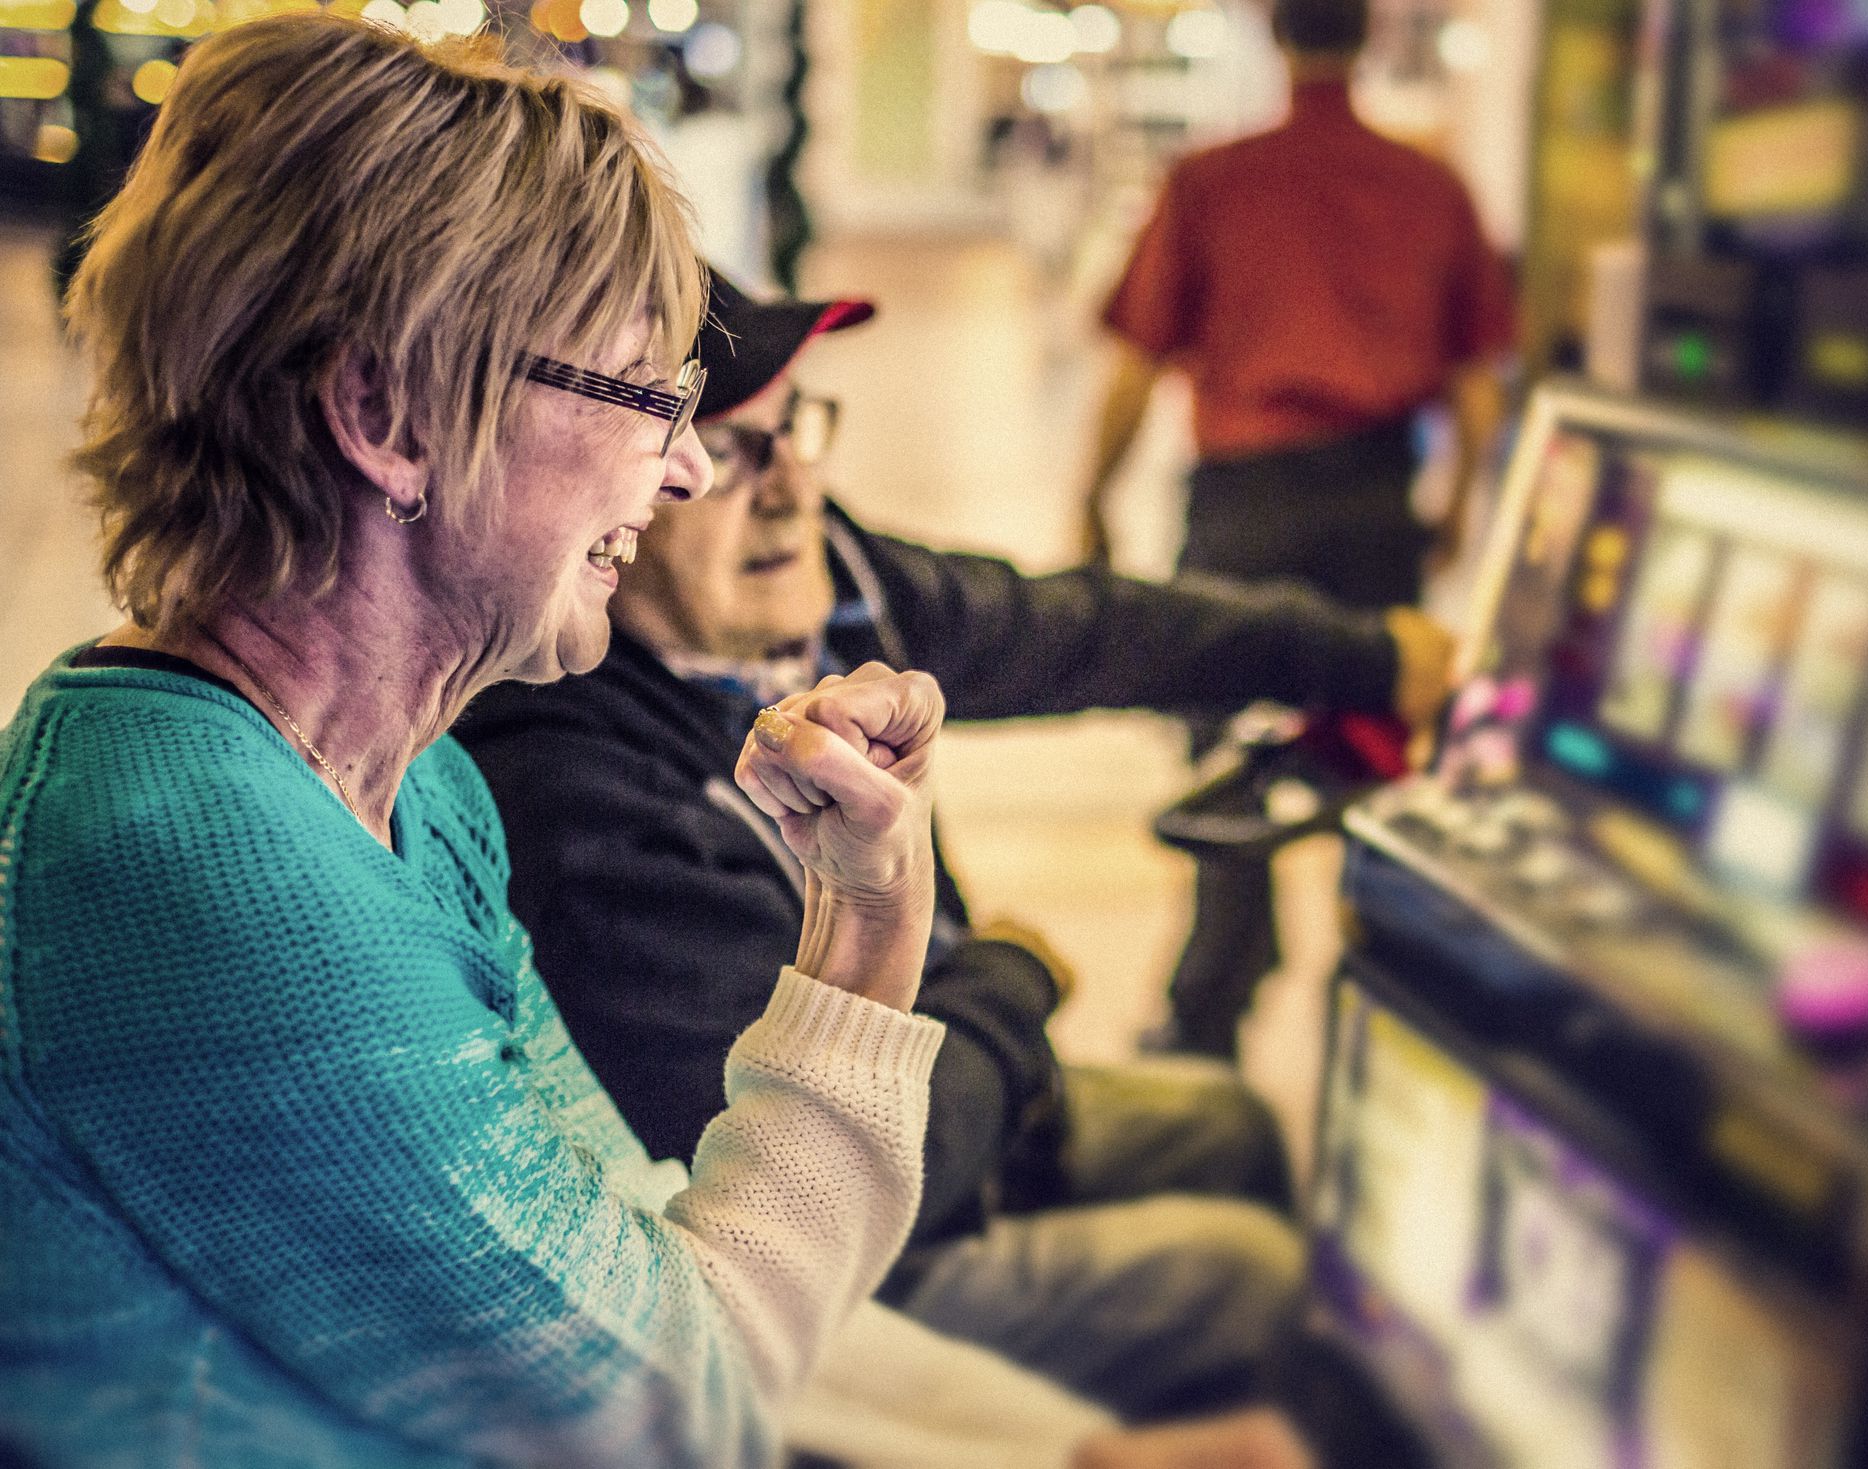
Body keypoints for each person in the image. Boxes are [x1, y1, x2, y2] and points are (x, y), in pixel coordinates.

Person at [0, 17, 1305, 1468]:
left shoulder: (418, 789)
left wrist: (1054, 1453)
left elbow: (641, 1250)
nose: (684, 466)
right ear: (385, 413)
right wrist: (870, 934)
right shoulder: (201, 872)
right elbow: (671, 1405)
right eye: (644, 395)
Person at [456, 270, 1456, 1422]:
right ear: (619, 503)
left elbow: (1078, 628)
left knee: (1231, 1125)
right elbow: (847, 1179)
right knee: (1248, 1277)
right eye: (725, 452)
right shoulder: (575, 792)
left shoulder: (829, 586)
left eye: (796, 431)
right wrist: (1008, 985)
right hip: (841, 1256)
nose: (789, 491)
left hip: (945, 1080)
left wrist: (1361, 658)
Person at [1079, 0, 1514, 1059]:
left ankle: (1209, 1018)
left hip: (1245, 511)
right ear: (1371, 38)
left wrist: (1091, 493)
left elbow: (1137, 362)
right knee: (1378, 756)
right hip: (1373, 506)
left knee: (1233, 762)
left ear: (1274, 37)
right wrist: (1455, 508)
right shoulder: (1431, 185)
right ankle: (1388, 1005)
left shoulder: (1211, 180)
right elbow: (1477, 386)